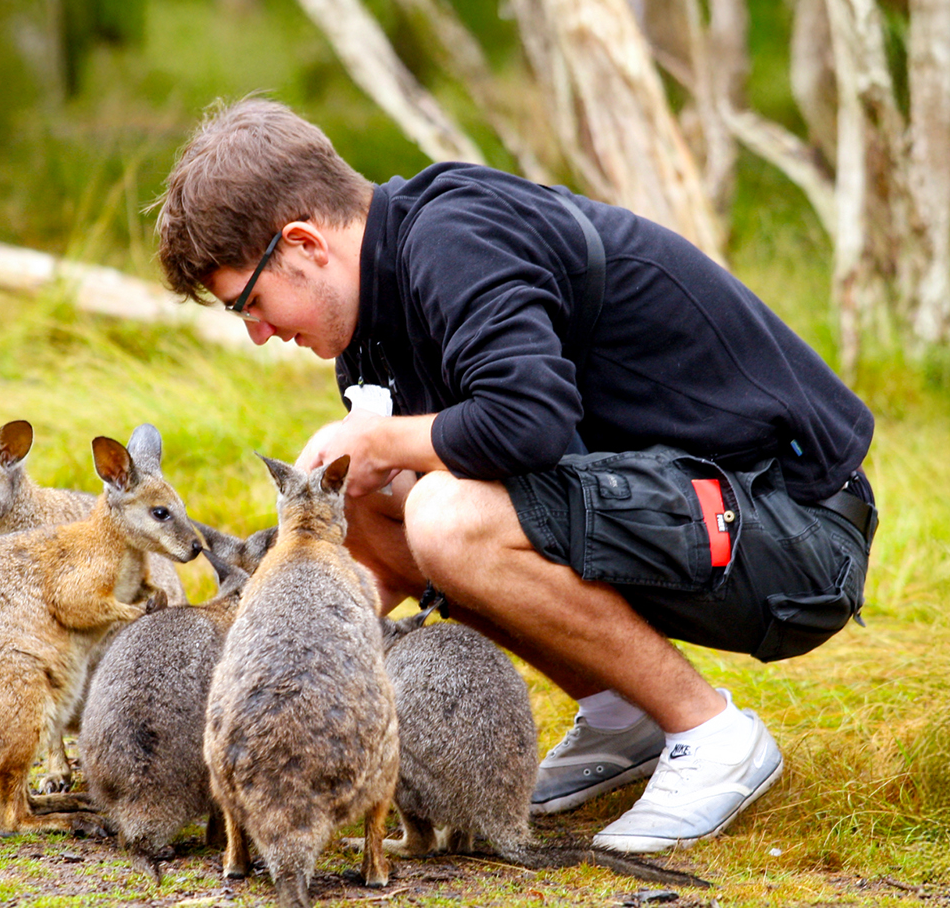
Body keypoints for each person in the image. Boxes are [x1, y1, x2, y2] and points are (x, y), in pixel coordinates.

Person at [153, 97, 878, 855]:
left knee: (445, 514)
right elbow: (373, 566)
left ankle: (712, 733)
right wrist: (244, 689)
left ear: (302, 243)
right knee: (366, 499)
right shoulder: (369, 334)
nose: (261, 334)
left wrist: (383, 440)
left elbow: (527, 421)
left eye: (252, 304)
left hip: (794, 524)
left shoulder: (454, 240)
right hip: (687, 512)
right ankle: (616, 714)